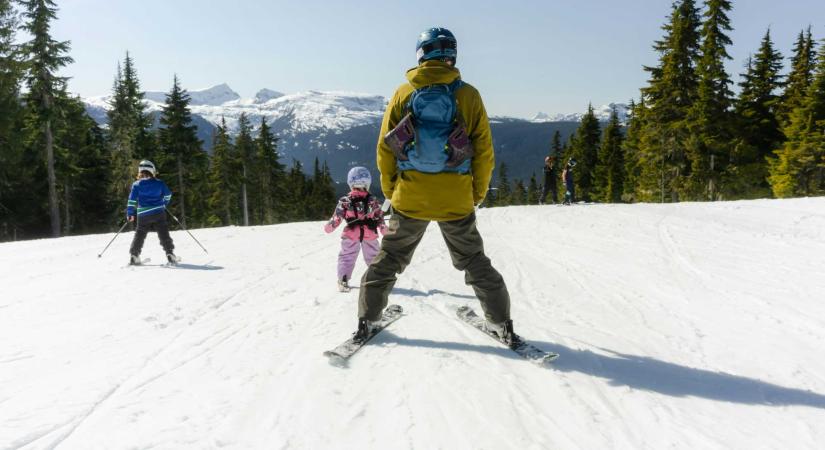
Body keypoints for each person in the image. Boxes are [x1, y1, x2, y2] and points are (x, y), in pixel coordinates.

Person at [357, 27, 519, 345]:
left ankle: (367, 320)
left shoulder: (403, 94)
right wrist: (476, 193)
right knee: (474, 261)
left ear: (420, 55)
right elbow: (484, 151)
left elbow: (384, 150)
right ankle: (501, 323)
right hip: (455, 199)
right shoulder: (468, 95)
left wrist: (392, 191)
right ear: (452, 56)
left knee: (388, 259)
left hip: (409, 198)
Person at [324, 166, 386, 292]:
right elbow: (379, 216)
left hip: (351, 233)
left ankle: (343, 279)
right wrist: (383, 228)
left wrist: (330, 226)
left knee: (347, 256)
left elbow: (337, 217)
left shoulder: (345, 201)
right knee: (374, 256)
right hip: (369, 234)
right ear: (367, 183)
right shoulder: (373, 200)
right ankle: (377, 279)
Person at [126, 160, 177, 265]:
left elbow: (131, 200)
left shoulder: (136, 185)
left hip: (143, 214)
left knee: (140, 234)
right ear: (152, 170)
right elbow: (168, 195)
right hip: (158, 212)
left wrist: (130, 213)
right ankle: (170, 253)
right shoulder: (159, 183)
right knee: (163, 233)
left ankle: (134, 255)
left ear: (140, 171)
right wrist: (164, 203)